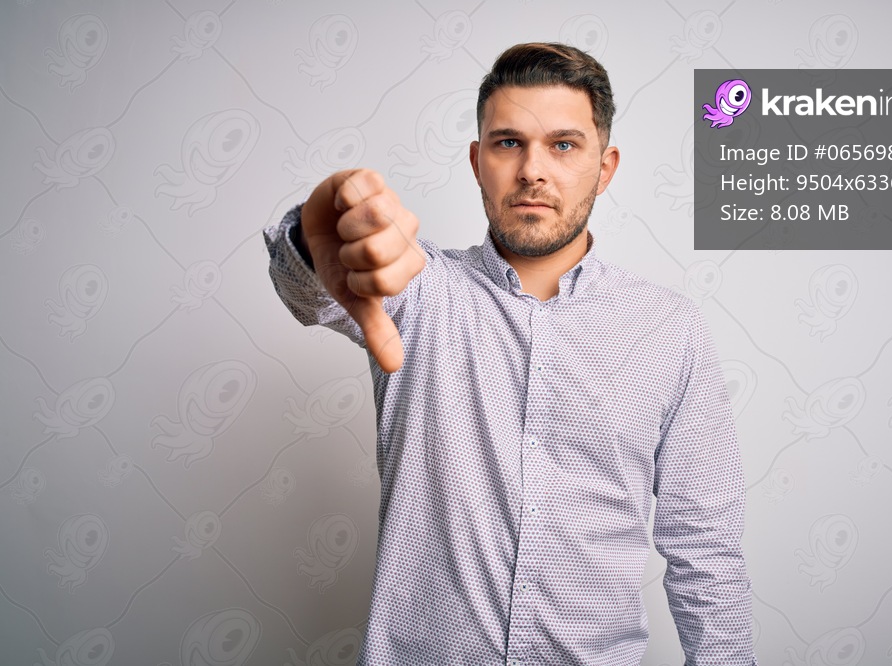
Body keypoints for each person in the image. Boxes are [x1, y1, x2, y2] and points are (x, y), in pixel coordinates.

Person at [264, 42, 756, 666]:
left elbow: (705, 549)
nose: (532, 170)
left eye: (564, 144)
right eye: (507, 143)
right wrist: (316, 243)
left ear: (605, 168)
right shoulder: (417, 291)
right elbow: (313, 294)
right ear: (477, 162)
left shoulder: (671, 331)